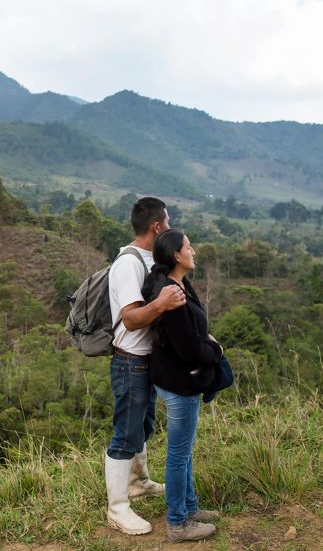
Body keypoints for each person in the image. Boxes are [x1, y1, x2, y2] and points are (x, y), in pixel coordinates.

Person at [105, 197, 187, 535]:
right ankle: (117, 508)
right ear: (156, 226)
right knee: (125, 434)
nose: (169, 228)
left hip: (145, 363)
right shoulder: (128, 264)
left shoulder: (148, 259)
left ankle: (139, 484)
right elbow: (131, 318)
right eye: (167, 223)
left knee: (143, 427)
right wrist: (162, 302)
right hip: (129, 363)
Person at [142, 229, 223, 542]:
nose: (194, 250)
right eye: (189, 246)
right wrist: (216, 351)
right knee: (178, 454)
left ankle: (189, 508)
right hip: (180, 384)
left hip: (170, 378)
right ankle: (177, 523)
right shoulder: (173, 296)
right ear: (176, 255)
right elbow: (190, 350)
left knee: (183, 452)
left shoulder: (176, 284)